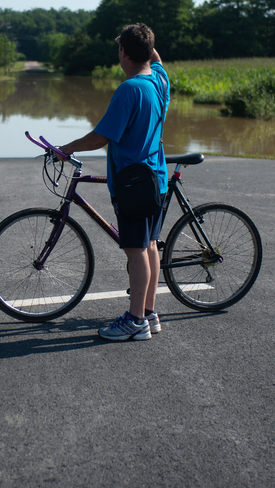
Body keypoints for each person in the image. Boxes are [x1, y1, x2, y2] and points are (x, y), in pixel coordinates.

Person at [59, 23, 169, 341]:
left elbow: (102, 136)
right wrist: (139, 40)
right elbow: (156, 57)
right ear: (148, 52)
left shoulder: (130, 89)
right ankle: (149, 313)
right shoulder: (159, 81)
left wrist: (68, 147)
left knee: (136, 251)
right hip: (155, 180)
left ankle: (135, 322)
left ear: (123, 53)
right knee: (149, 245)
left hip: (133, 183)